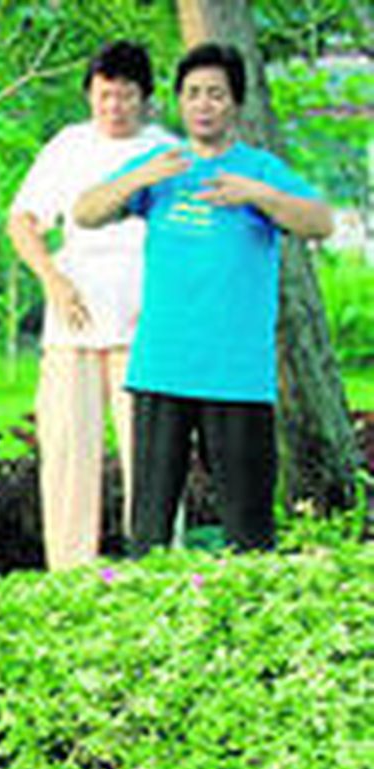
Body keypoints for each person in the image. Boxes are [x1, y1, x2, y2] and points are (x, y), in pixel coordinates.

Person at [75, 43, 332, 554]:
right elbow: (85, 212)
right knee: (147, 532)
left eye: (215, 94)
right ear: (179, 102)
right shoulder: (162, 165)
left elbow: (320, 221)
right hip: (162, 367)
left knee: (249, 533)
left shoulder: (259, 169)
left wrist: (257, 195)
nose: (203, 104)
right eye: (193, 94)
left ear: (235, 103)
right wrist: (139, 177)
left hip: (236, 374)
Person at [7, 41, 173, 571]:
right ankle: (70, 573)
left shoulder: (167, 152)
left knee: (150, 460)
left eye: (125, 96)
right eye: (104, 95)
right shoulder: (68, 146)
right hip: (72, 322)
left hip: (144, 325)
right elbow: (23, 221)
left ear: (145, 98)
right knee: (67, 457)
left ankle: (158, 569)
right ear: (89, 96)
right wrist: (52, 279)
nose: (114, 107)